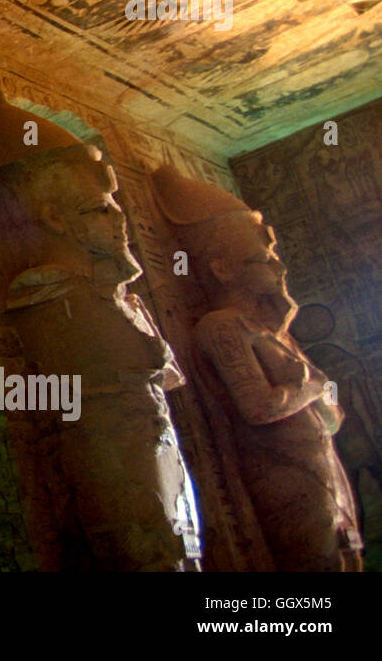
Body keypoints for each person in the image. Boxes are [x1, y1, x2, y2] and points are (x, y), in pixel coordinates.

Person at [0, 89, 201, 570]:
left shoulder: (124, 298)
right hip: (107, 453)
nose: (119, 220)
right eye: (99, 209)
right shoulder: (46, 289)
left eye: (114, 206)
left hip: (154, 443)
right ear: (54, 217)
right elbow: (48, 391)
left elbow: (165, 374)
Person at [152, 165, 362, 571]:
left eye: (274, 257)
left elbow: (332, 417)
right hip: (285, 480)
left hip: (325, 475)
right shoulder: (222, 326)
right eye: (262, 260)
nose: (280, 269)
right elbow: (259, 408)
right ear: (223, 268)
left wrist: (308, 387)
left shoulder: (272, 332)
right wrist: (309, 388)